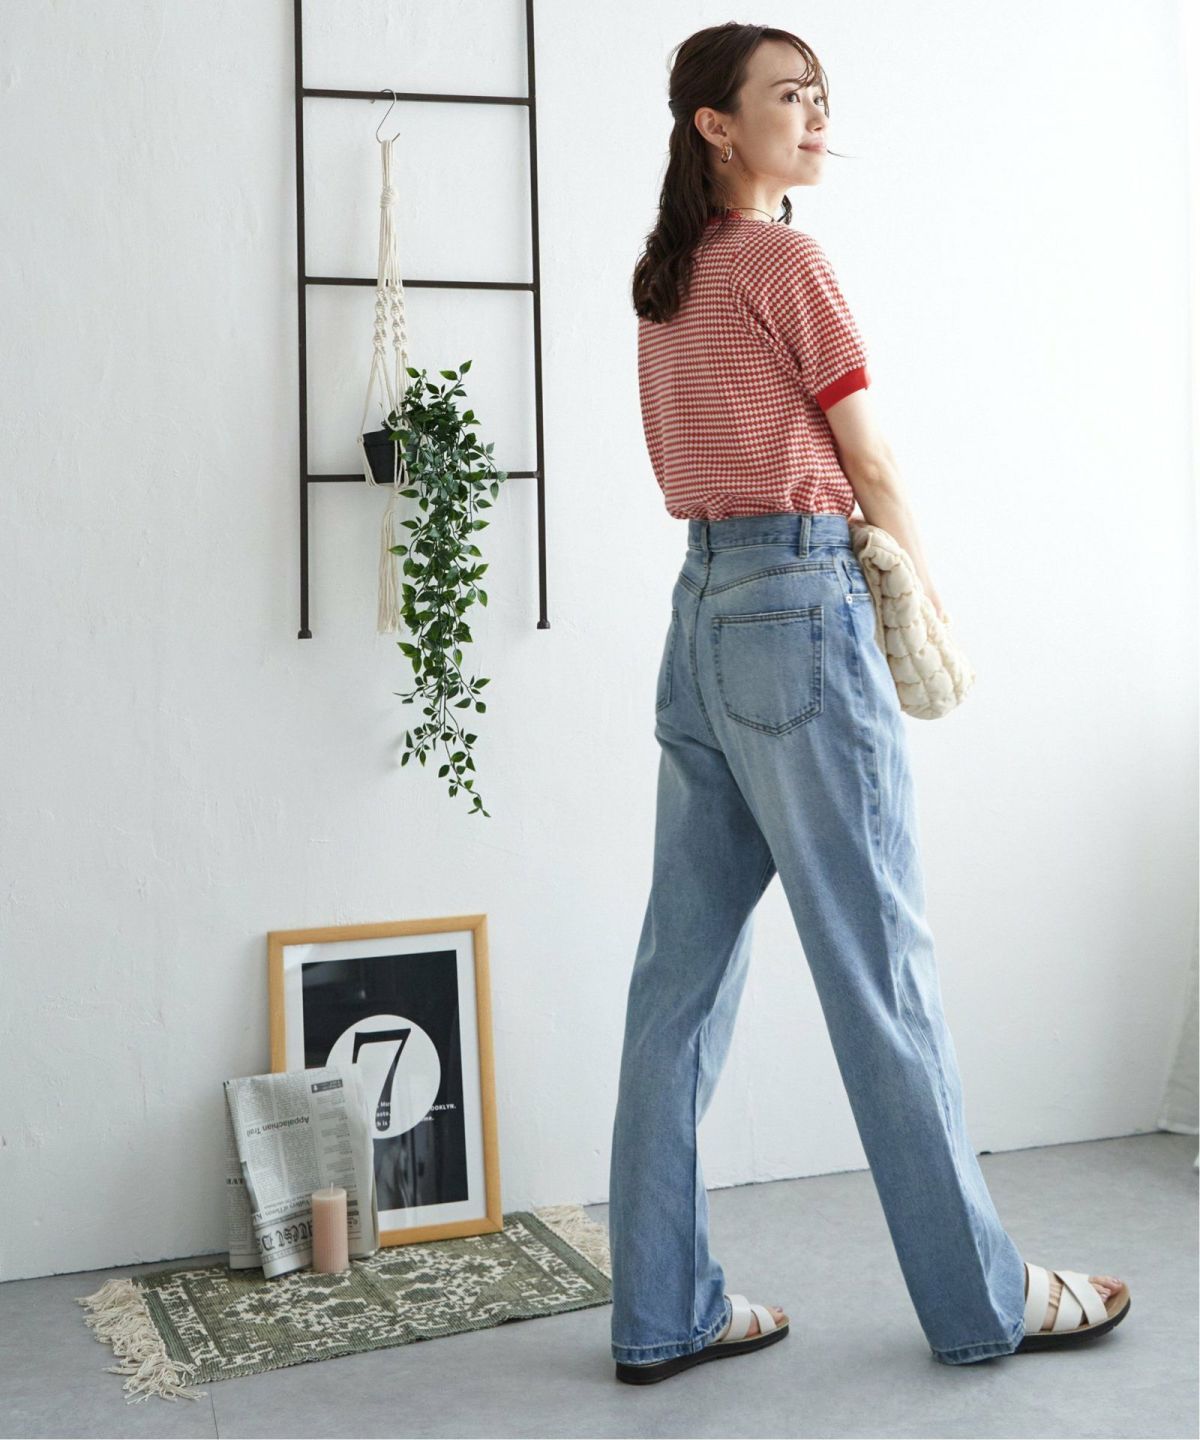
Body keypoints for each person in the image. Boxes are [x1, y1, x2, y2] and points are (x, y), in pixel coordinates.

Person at [607, 22, 1130, 1385]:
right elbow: (872, 459)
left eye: (820, 95)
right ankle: (984, 1301)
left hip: (701, 615)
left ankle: (661, 1312)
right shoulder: (788, 261)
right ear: (717, 125)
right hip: (798, 601)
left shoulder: (667, 278)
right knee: (880, 965)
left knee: (677, 985)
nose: (816, 115)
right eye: (788, 96)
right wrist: (927, 602)